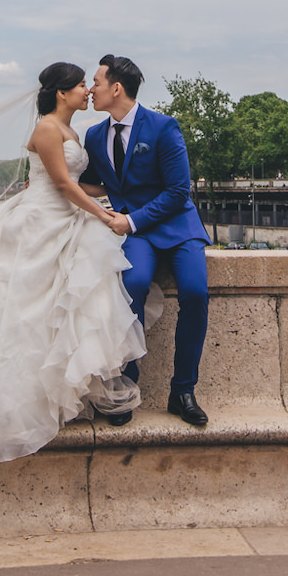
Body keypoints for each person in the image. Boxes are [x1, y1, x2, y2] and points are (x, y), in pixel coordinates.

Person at [0, 61, 147, 467]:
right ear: (61, 93)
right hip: (40, 222)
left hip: (62, 218)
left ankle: (49, 394)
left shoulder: (73, 131)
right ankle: (15, 403)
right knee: (25, 316)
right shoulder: (46, 128)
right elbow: (60, 184)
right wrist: (104, 215)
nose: (87, 91)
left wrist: (119, 191)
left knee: (54, 311)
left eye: (89, 85)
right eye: (81, 86)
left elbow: (76, 181)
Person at [81, 54, 210, 427]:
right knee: (132, 286)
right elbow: (98, 182)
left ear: (116, 88)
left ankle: (183, 390)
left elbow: (178, 191)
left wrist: (132, 220)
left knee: (195, 292)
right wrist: (56, 185)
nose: (91, 89)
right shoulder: (94, 135)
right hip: (137, 231)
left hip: (175, 226)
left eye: (97, 82)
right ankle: (125, 389)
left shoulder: (164, 127)